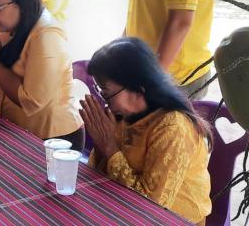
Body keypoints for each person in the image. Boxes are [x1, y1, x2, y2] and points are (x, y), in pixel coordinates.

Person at [80, 37, 211, 224]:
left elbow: (151, 207)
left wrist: (109, 148)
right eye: (100, 92)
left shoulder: (172, 128)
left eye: (107, 93)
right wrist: (101, 146)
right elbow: (97, 174)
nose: (104, 100)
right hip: (120, 208)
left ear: (139, 88)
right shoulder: (122, 116)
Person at [0, 0, 84, 150]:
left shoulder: (47, 34)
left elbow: (32, 101)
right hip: (17, 131)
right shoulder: (9, 30)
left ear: (21, 3)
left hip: (54, 139)